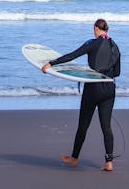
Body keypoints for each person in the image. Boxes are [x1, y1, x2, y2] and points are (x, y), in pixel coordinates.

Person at [42, 19, 120, 172]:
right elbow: (117, 72)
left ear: (96, 29)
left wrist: (51, 64)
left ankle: (74, 158)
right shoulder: (115, 47)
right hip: (109, 89)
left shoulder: (92, 43)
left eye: (94, 29)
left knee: (83, 125)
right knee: (106, 126)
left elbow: (73, 55)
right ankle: (109, 162)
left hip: (93, 88)